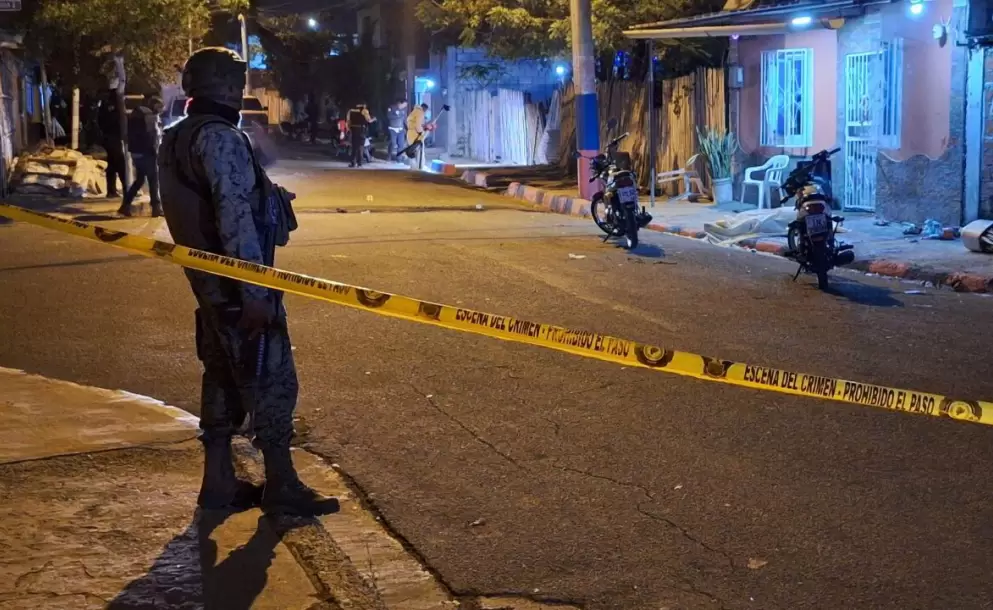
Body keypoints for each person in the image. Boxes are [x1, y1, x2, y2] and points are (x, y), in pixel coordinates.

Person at [157, 46, 338, 516]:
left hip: (210, 286)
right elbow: (233, 215)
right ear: (223, 85)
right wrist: (254, 291)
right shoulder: (220, 137)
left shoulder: (176, 137)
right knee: (272, 380)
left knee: (221, 376)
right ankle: (281, 483)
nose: (240, 91)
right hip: (238, 287)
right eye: (236, 82)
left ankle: (218, 481)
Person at [120, 94, 164, 217]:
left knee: (139, 180)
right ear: (154, 105)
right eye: (159, 107)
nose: (160, 110)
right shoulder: (149, 116)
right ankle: (156, 208)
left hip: (136, 152)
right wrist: (155, 152)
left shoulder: (136, 114)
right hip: (147, 153)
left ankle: (125, 205)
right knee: (153, 180)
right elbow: (152, 136)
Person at [97, 89, 126, 198]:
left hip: (108, 137)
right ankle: (126, 189)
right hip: (114, 138)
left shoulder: (105, 105)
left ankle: (111, 190)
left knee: (112, 165)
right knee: (121, 165)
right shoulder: (115, 107)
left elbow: (100, 120)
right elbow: (118, 121)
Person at [346, 102, 375, 168]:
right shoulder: (364, 111)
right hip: (361, 130)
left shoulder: (350, 111)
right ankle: (359, 163)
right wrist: (374, 119)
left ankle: (353, 163)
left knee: (354, 147)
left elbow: (348, 122)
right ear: (363, 105)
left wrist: (349, 129)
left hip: (354, 130)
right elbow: (369, 120)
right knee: (360, 147)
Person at [405, 102, 429, 168]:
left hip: (410, 134)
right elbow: (418, 126)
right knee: (419, 151)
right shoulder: (420, 113)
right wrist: (422, 132)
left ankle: (413, 166)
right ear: (424, 109)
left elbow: (413, 123)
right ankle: (420, 166)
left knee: (412, 150)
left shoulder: (414, 112)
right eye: (426, 111)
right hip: (416, 135)